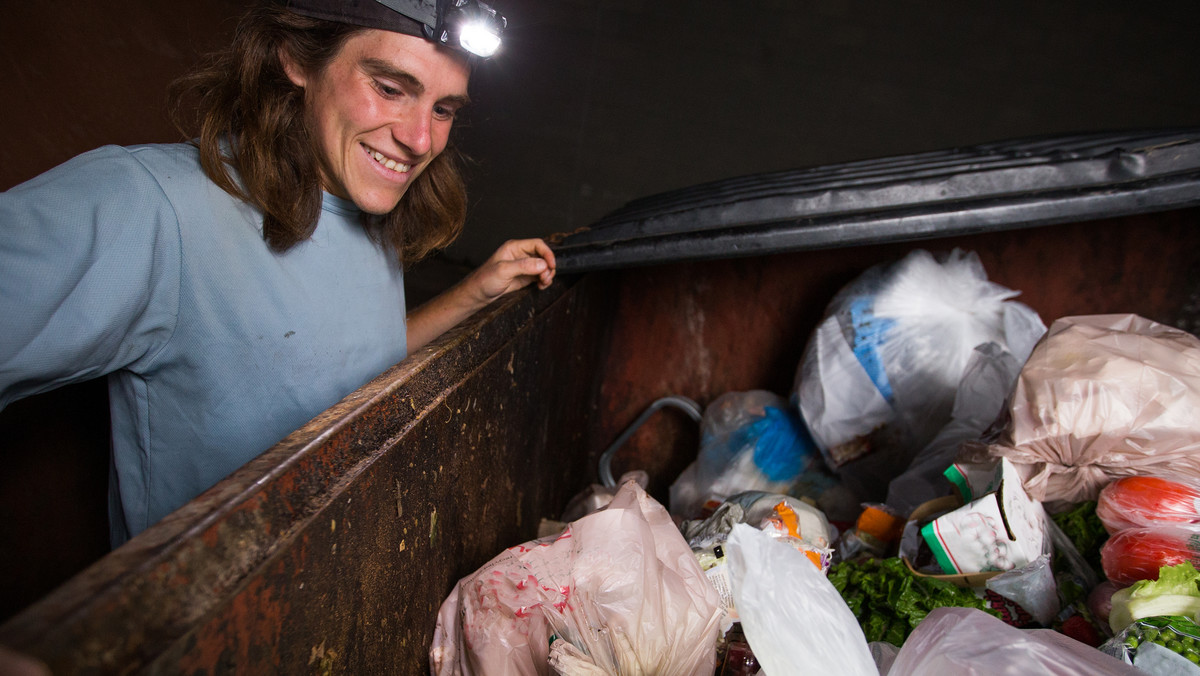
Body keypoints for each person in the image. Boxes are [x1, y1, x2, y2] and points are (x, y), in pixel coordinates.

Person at [0, 0, 556, 546]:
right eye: (389, 89)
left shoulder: (367, 205)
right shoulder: (147, 207)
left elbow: (337, 369)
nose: (419, 140)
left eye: (444, 110)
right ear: (296, 58)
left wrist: (469, 295)